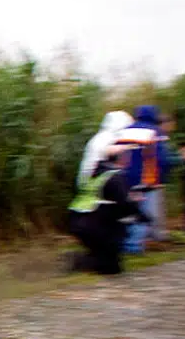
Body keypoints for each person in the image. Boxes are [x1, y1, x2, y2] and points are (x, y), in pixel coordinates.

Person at [68, 134, 139, 274]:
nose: (129, 158)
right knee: (112, 267)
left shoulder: (95, 173)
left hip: (78, 220)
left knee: (105, 255)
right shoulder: (116, 177)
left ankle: (83, 260)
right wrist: (138, 209)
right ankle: (80, 261)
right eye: (127, 155)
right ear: (121, 158)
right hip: (97, 226)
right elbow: (125, 203)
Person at [120, 105, 173, 251]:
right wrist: (161, 178)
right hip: (146, 179)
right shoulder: (155, 131)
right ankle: (134, 245)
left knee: (128, 211)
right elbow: (161, 159)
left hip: (123, 178)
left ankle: (124, 241)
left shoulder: (125, 130)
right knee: (143, 213)